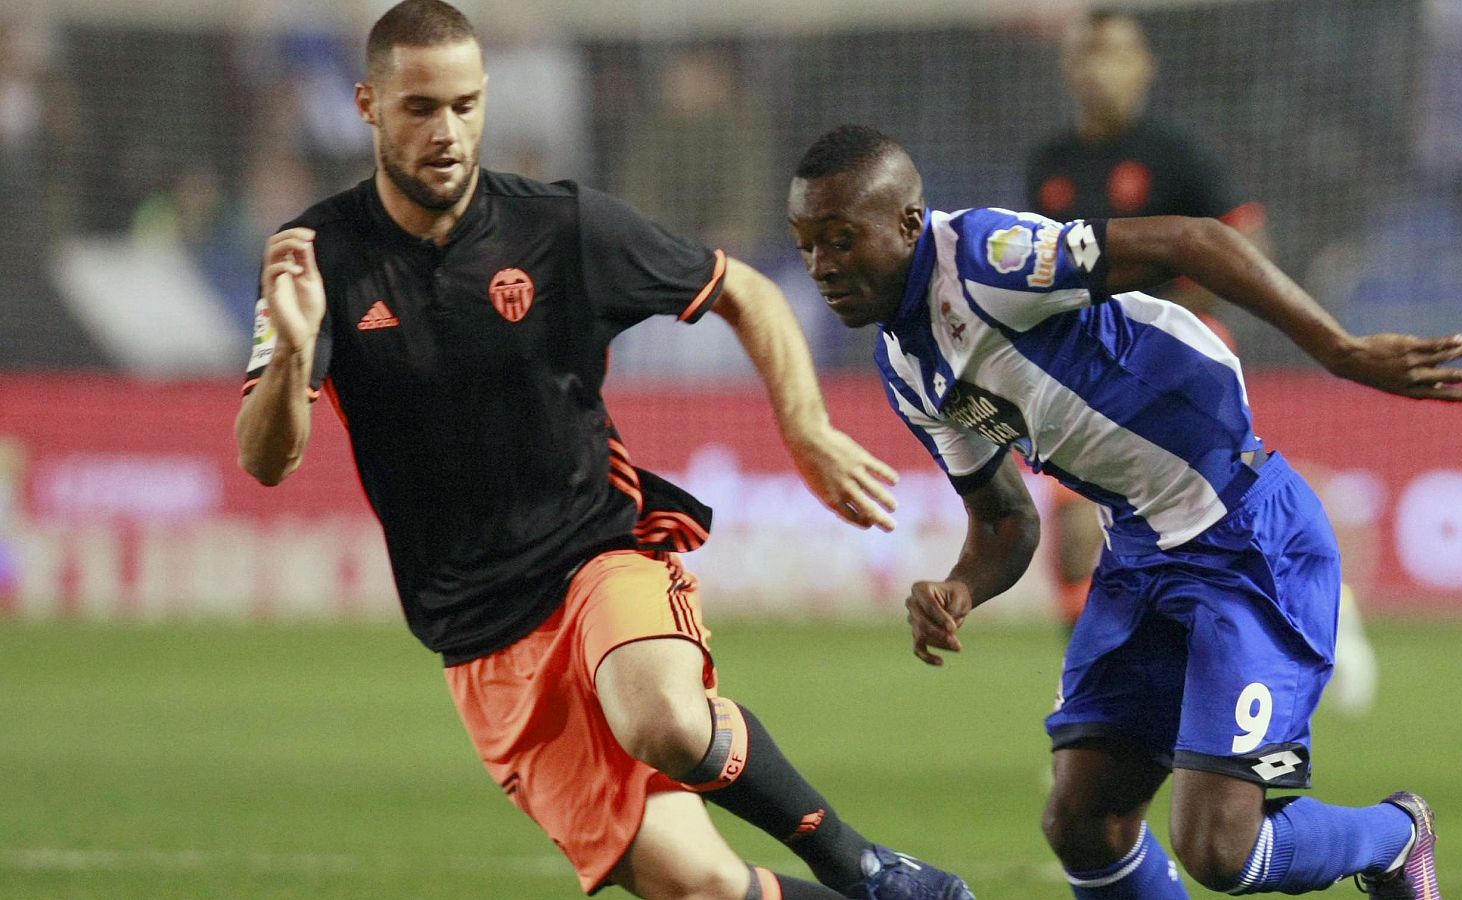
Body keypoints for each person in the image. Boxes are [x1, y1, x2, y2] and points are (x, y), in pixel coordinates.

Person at [234, 6, 975, 900]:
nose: (447, 132)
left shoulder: (558, 227)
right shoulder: (318, 261)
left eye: (466, 106)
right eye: (420, 107)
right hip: (479, 635)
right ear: (368, 104)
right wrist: (291, 348)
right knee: (699, 888)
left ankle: (859, 863)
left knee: (660, 715)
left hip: (598, 555)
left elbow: (741, 288)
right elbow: (267, 459)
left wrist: (806, 430)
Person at [786, 125, 1462, 898]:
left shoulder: (986, 258)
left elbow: (1193, 240)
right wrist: (961, 587)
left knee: (1220, 850)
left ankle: (1393, 838)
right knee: (1084, 824)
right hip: (1140, 556)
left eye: (842, 239)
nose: (822, 266)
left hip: (1245, 537)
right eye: (808, 244)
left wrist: (1340, 350)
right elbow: (1004, 521)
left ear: (909, 223)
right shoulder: (904, 365)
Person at [1026, 11, 1378, 717]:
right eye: (1091, 52)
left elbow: (1247, 243)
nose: (1103, 68)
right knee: (1074, 542)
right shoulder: (1049, 164)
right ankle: (1102, 716)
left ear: (1146, 67)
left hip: (1174, 359)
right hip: (1086, 372)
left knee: (1206, 530)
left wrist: (1181, 303)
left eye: (1120, 53)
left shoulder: (1174, 153)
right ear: (1070, 68)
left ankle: (1321, 605)